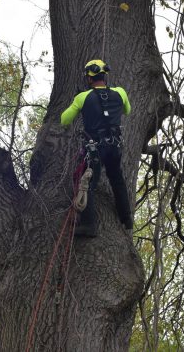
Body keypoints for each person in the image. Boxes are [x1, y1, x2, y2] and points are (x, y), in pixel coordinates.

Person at [61, 59, 133, 237]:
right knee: (117, 179)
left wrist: (79, 104)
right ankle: (126, 218)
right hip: (114, 146)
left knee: (88, 183)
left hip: (95, 148)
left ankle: (89, 225)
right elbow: (127, 110)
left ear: (89, 78)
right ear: (105, 75)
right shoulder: (120, 92)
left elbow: (64, 120)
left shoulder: (83, 97)